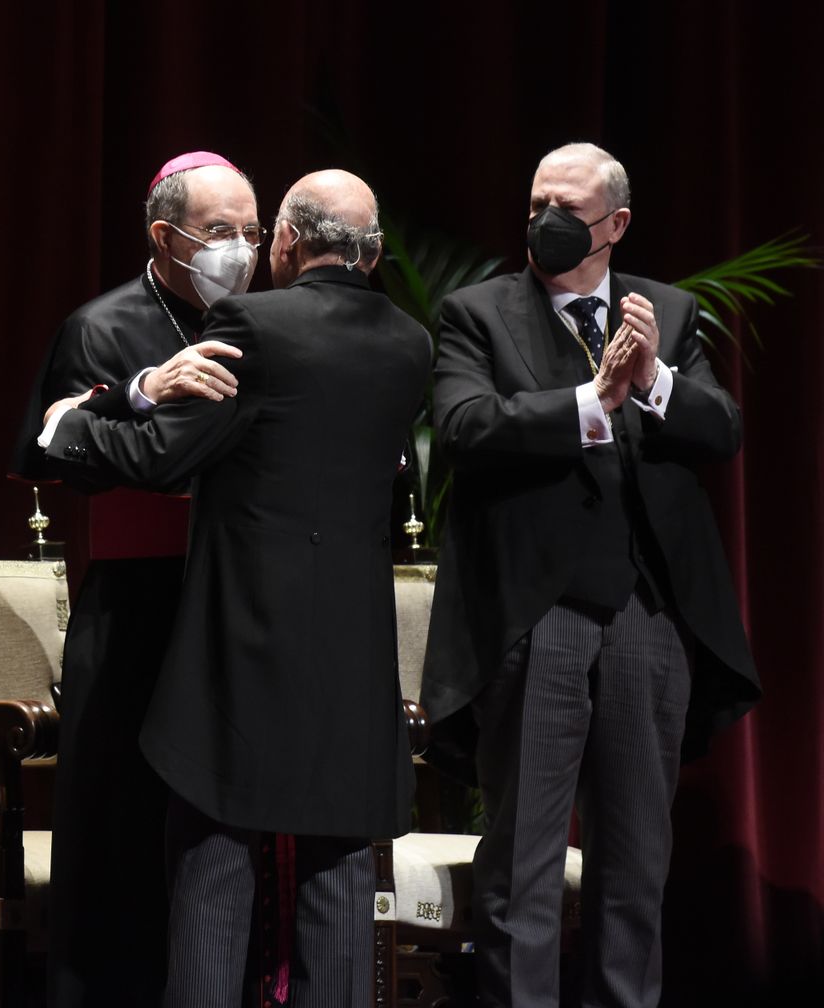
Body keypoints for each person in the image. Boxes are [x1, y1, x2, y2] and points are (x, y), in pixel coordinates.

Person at [40, 169, 430, 1008]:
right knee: (335, 884)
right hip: (353, 662)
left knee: (213, 873)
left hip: (241, 647)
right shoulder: (410, 342)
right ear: (370, 252)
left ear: (284, 241)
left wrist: (76, 419)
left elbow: (158, 459)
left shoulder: (250, 325)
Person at [422, 142, 761, 1008]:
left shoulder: (669, 314)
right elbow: (464, 427)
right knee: (523, 871)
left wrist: (651, 382)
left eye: (568, 209)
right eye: (538, 202)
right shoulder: (478, 314)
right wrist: (589, 404)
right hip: (539, 619)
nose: (547, 221)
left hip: (649, 619)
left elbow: (720, 429)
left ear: (615, 225)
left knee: (635, 868)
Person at [10, 150, 258, 1007]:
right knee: (122, 831)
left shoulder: (266, 322)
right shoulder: (101, 327)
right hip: (136, 608)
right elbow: (55, 455)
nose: (241, 251)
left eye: (252, 234)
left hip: (235, 603)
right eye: (219, 232)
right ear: (165, 236)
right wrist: (141, 393)